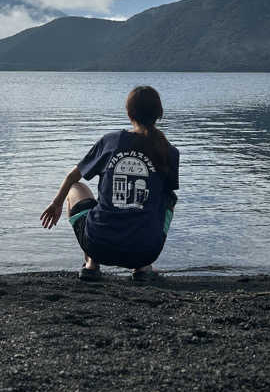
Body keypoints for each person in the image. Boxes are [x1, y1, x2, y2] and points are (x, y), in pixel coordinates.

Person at [40, 85, 179, 281]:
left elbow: (72, 177)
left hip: (98, 245)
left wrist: (56, 203)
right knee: (168, 198)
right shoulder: (170, 152)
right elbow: (166, 198)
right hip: (146, 251)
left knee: (75, 188)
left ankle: (91, 264)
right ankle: (142, 268)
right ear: (159, 114)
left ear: (129, 113)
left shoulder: (111, 142)